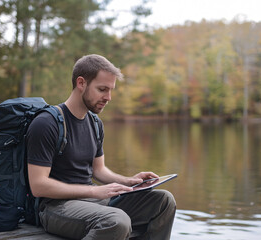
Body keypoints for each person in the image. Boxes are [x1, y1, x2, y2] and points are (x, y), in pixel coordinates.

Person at [26, 54, 176, 240]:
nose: (108, 97)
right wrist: (93, 191)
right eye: (102, 89)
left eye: (111, 90)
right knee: (117, 221)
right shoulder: (46, 123)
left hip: (94, 201)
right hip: (56, 207)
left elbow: (99, 170)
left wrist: (129, 181)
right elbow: (38, 186)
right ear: (81, 83)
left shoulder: (95, 124)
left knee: (163, 201)